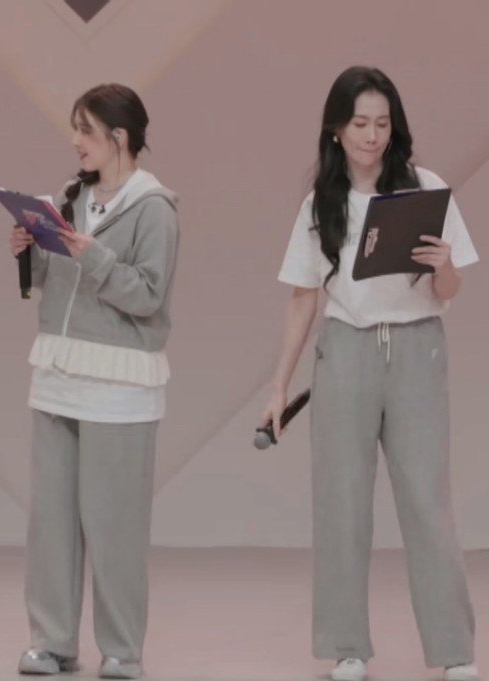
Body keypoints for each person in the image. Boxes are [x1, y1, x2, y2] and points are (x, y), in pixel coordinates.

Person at [262, 65, 478, 681]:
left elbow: (450, 289)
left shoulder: (425, 188)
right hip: (345, 352)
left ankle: (454, 651)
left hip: (417, 350)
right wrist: (278, 386)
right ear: (336, 129)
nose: (372, 135)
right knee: (342, 504)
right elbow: (303, 298)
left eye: (383, 123)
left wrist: (442, 266)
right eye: (360, 123)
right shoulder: (320, 205)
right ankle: (347, 647)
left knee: (428, 504)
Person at [10, 83, 179, 679]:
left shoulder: (154, 208)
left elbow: (149, 295)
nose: (76, 141)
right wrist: (30, 251)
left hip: (119, 385)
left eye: (85, 130)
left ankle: (122, 649)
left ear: (119, 137)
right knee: (51, 524)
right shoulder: (70, 196)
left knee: (115, 528)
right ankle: (52, 641)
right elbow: (60, 282)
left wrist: (93, 256)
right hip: (59, 375)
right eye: (76, 129)